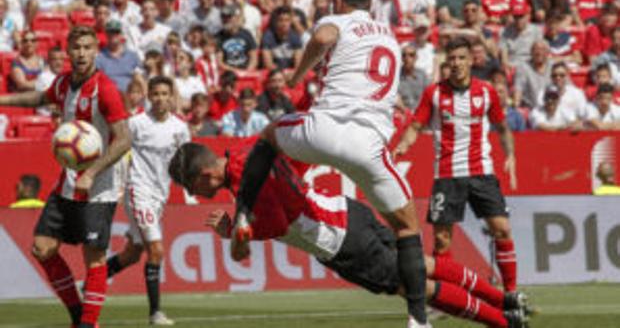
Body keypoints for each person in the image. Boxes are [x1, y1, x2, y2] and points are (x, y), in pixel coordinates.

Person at [230, 0, 430, 326]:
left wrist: (297, 75)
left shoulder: (338, 21)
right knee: (407, 227)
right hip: (369, 145)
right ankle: (417, 319)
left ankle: (244, 213)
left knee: (268, 136)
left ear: (337, 0)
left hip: (322, 130)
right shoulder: (390, 36)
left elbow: (323, 38)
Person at [168, 141, 530, 328]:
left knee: (415, 286)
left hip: (339, 241)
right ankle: (504, 302)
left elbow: (278, 222)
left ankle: (500, 321)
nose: (194, 194)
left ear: (205, 175)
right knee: (423, 263)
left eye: (191, 186)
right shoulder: (247, 151)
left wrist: (236, 231)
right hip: (346, 210)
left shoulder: (246, 183)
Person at [0, 26, 131, 328]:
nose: (82, 53)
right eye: (77, 48)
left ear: (95, 51)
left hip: (99, 188)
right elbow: (37, 98)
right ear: (68, 53)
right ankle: (77, 317)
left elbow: (123, 139)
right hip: (69, 183)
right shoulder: (63, 84)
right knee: (43, 247)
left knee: (94, 258)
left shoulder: (105, 90)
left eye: (87, 47)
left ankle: (87, 324)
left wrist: (94, 171)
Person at [394, 37, 519, 297]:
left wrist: (510, 155)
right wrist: (403, 145)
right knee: (442, 240)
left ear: (471, 61)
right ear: (445, 63)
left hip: (482, 172)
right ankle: (448, 296)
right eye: (451, 59)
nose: (456, 63)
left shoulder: (486, 91)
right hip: (448, 175)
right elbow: (416, 126)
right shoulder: (434, 93)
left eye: (461, 58)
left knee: (502, 229)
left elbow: (503, 128)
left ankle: (511, 293)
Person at [104, 76, 189, 326]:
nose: (161, 98)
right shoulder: (137, 123)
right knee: (157, 250)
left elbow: (184, 161)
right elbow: (119, 153)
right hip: (138, 190)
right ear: (149, 96)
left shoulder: (179, 128)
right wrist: (118, 186)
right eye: (156, 94)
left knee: (133, 254)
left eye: (165, 94)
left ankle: (89, 283)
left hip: (159, 195)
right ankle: (155, 313)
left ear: (171, 97)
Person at [95, 20, 142, 94]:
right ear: (106, 34)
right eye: (110, 32)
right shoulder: (99, 58)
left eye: (116, 32)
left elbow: (140, 79)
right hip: (109, 95)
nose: (113, 35)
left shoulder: (132, 56)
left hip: (129, 96)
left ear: (121, 34)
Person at [217, 3, 258, 71]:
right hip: (228, 74)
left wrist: (246, 72)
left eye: (229, 16)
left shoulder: (246, 34)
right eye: (223, 16)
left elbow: (254, 59)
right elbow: (219, 62)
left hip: (246, 72)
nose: (226, 19)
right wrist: (235, 72)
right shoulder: (219, 37)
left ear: (236, 17)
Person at [398, 44, 430, 111]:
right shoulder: (396, 77)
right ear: (401, 58)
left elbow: (429, 96)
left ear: (416, 57)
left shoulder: (422, 75)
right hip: (403, 114)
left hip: (421, 114)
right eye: (404, 55)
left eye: (411, 55)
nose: (407, 58)